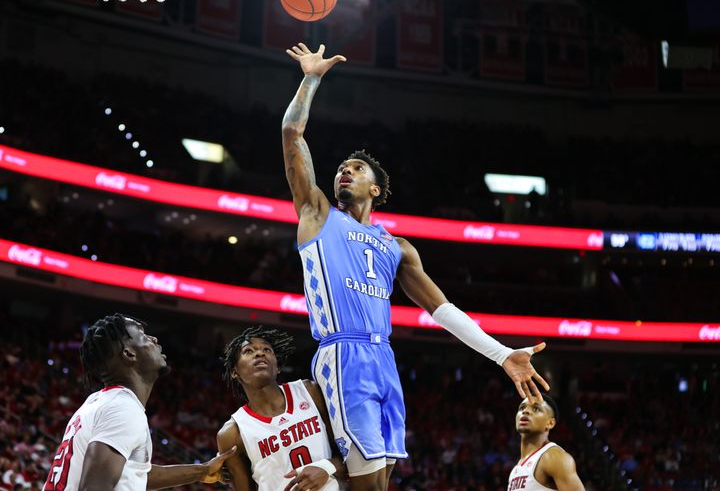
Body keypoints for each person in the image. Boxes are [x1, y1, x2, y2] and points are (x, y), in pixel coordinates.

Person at [281, 43, 550, 490]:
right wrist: (311, 79)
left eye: (356, 169)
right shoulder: (317, 214)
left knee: (382, 479)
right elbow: (292, 135)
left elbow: (441, 309)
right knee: (365, 482)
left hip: (383, 357)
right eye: (342, 168)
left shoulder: (398, 247)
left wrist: (502, 355)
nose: (344, 172)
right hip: (342, 352)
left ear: (377, 189)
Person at [43, 314, 235, 491]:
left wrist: (202, 471)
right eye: (143, 336)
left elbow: (134, 474)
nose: (154, 339)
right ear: (129, 354)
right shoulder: (122, 408)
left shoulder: (100, 401)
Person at [217, 326, 345, 491]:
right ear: (235, 372)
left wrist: (328, 467)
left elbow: (348, 454)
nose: (260, 353)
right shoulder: (231, 434)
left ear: (277, 366)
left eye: (267, 350)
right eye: (248, 351)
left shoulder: (310, 392)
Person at [508, 394, 585, 491]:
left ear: (550, 423)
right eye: (522, 408)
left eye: (536, 409)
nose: (525, 411)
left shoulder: (554, 457)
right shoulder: (517, 468)